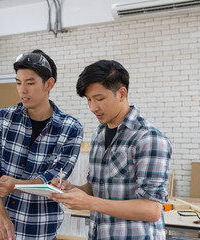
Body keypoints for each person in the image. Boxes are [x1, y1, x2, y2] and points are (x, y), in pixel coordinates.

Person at [49, 60, 172, 239]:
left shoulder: (149, 138)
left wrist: (90, 203)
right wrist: (72, 190)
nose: (92, 107)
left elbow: (151, 209)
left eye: (99, 99)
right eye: (89, 100)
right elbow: (96, 188)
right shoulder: (99, 134)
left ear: (122, 93)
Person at [0, 49, 83, 240]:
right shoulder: (1, 118)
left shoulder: (71, 128)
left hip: (38, 230)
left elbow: (54, 179)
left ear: (49, 84)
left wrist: (15, 184)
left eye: (30, 83)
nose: (22, 90)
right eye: (18, 83)